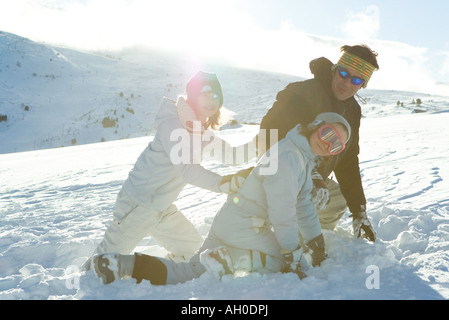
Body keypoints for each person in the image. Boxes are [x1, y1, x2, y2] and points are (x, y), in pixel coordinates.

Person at [91, 112, 351, 285]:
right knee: (279, 263)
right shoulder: (288, 156)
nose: (329, 145)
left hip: (232, 221)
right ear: (316, 126)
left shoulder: (301, 156)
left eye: (336, 145)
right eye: (328, 134)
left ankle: (120, 264)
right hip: (244, 224)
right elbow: (283, 211)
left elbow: (303, 202)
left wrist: (316, 242)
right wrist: (293, 254)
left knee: (190, 272)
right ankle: (231, 259)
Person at [83, 71, 257, 270]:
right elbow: (188, 170)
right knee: (102, 265)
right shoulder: (173, 125)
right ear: (193, 97)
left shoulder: (197, 129)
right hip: (137, 205)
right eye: (205, 94)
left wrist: (261, 144)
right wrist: (225, 183)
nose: (211, 101)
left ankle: (160, 279)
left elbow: (231, 155)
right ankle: (76, 286)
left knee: (195, 254)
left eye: (216, 96)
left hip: (161, 208)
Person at [258, 44, 379, 241]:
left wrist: (359, 211)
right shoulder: (302, 93)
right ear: (334, 70)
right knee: (298, 200)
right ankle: (271, 233)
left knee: (337, 201)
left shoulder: (352, 111)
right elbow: (268, 133)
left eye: (356, 80)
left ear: (362, 85)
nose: (347, 83)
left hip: (315, 183)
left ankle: (306, 237)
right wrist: (306, 174)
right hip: (279, 175)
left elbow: (348, 160)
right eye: (343, 73)